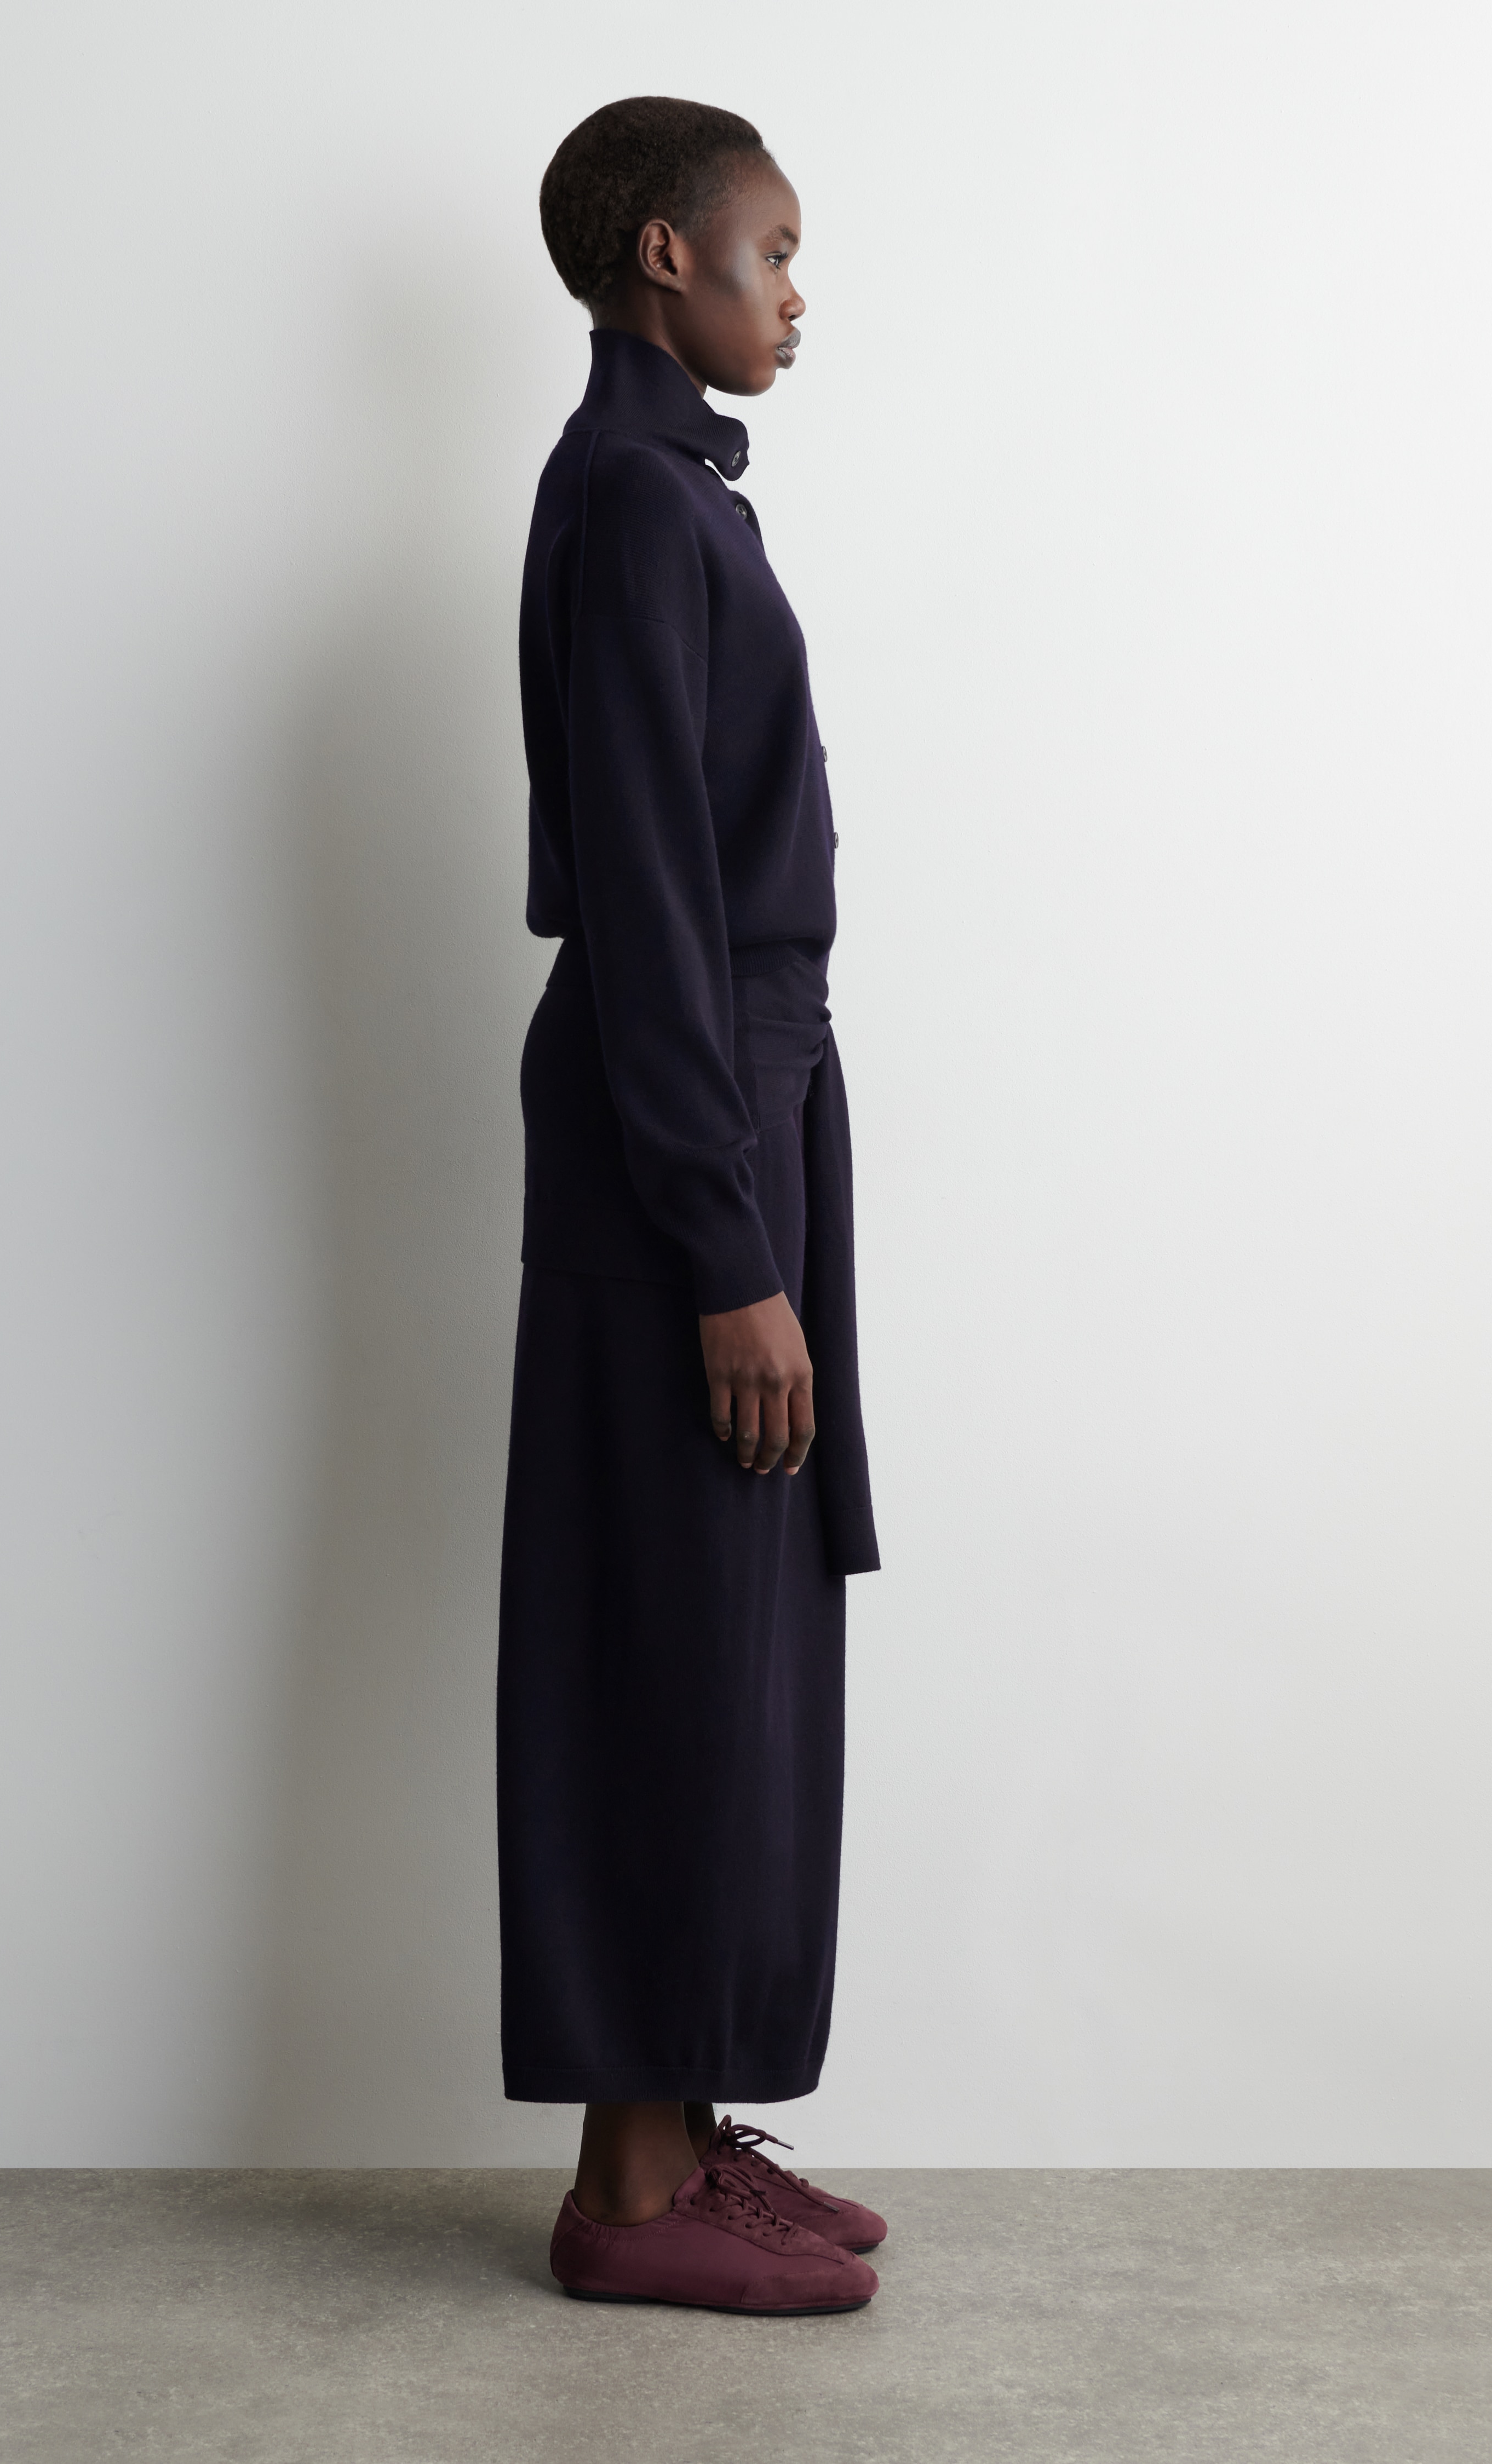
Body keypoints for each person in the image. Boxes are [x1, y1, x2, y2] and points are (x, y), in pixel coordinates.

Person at [496, 96, 883, 2317]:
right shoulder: (636, 506)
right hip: (686, 1127)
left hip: (735, 1097)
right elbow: (647, 902)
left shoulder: (664, 496)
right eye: (774, 250)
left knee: (728, 1630)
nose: (795, 295)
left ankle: (676, 2123)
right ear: (669, 254)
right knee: (663, 1634)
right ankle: (628, 2197)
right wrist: (730, 1252)